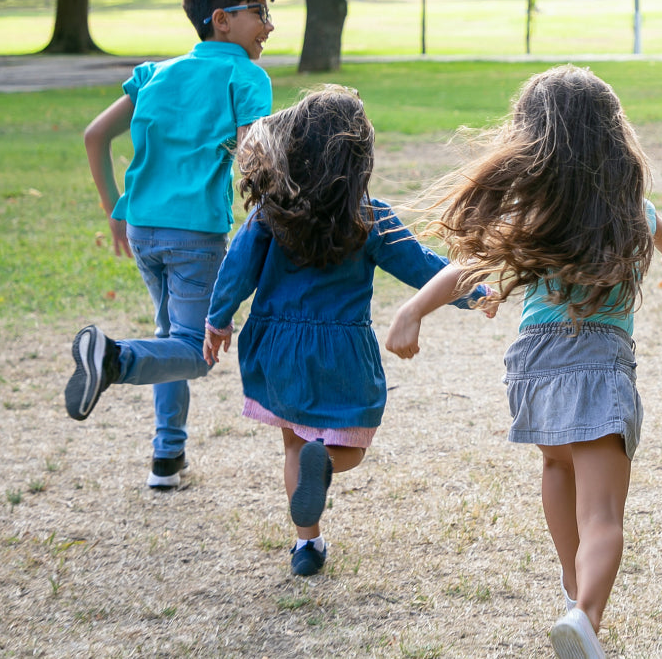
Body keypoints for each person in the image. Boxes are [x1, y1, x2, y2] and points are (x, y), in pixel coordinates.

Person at [384, 65, 662, 658]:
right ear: (614, 138)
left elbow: (465, 268)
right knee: (603, 514)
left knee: (556, 467)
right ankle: (586, 615)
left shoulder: (533, 210)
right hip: (600, 363)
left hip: (534, 363)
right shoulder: (635, 211)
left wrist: (412, 311)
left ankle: (573, 586)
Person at [201, 86, 494, 577]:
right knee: (348, 444)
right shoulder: (370, 214)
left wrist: (217, 319)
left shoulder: (272, 210)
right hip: (340, 349)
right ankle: (328, 465)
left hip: (276, 345)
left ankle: (306, 544)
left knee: (295, 440)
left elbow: (237, 268)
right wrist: (473, 291)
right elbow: (420, 266)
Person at [64, 0, 277, 490]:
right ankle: (112, 359)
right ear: (222, 19)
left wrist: (115, 209)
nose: (269, 26)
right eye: (259, 12)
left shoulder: (155, 73)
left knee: (172, 339)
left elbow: (94, 137)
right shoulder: (246, 76)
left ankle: (167, 459)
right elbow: (255, 160)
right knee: (194, 352)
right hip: (195, 235)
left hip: (142, 229)